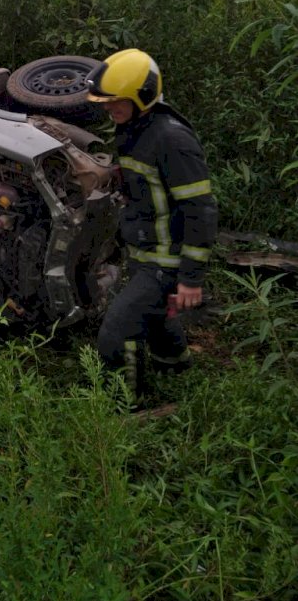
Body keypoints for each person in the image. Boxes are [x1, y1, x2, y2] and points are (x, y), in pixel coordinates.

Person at [86, 49, 217, 403]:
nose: (108, 109)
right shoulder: (133, 127)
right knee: (157, 317)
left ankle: (124, 405)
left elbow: (200, 210)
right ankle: (177, 376)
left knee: (116, 332)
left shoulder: (172, 140)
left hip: (166, 261)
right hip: (145, 252)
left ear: (141, 96)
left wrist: (190, 279)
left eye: (116, 102)